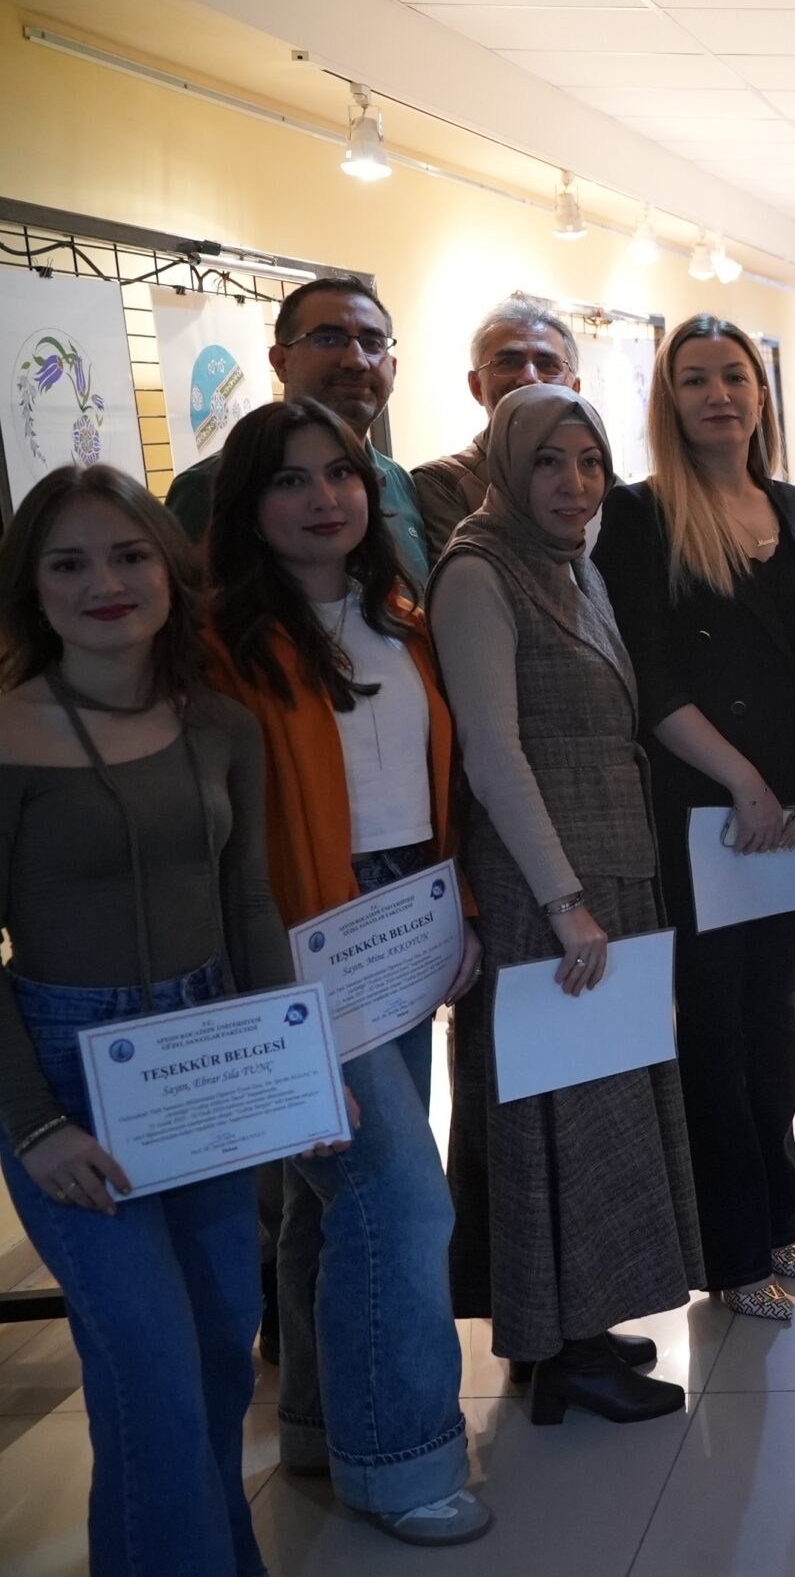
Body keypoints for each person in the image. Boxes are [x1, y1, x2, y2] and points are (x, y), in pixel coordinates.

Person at [0, 464, 325, 1575]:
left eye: (130, 555)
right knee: (149, 1368)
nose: (106, 583)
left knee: (221, 1356)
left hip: (206, 1052)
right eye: (69, 563)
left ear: (170, 572)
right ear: (31, 588)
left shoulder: (221, 725)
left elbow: (249, 904)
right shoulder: (7, 738)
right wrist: (33, 1124)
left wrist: (298, 1071)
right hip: (67, 1076)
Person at [200, 401, 491, 1546]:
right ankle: (400, 1462)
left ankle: (323, 1423)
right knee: (398, 1197)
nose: (324, 498)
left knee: (336, 1202)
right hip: (297, 936)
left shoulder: (401, 618)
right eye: (290, 480)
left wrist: (457, 909)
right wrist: (266, 978)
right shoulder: (218, 645)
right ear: (247, 504)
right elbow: (228, 840)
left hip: (404, 915)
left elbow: (433, 787)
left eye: (342, 474)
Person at [430, 383, 703, 1423]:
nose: (575, 484)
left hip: (604, 877)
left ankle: (566, 1327)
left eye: (590, 462)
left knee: (595, 1112)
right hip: (549, 895)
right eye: (549, 461)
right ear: (505, 462)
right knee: (559, 1121)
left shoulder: (569, 564)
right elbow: (493, 757)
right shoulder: (479, 571)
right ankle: (566, 1354)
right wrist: (563, 900)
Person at [593, 314, 795, 1323]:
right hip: (707, 811)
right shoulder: (638, 514)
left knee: (774, 1015)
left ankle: (780, 1215)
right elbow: (648, 674)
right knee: (715, 1027)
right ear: (670, 399)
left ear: (760, 392)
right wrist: (743, 781)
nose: (718, 395)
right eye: (695, 380)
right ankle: (730, 1250)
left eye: (734, 376)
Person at [166, 275, 434, 584]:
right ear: (281, 361)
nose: (356, 360)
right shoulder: (212, 485)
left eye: (372, 343)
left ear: (393, 368)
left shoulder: (399, 481)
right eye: (328, 339)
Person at [412, 297, 583, 559]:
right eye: (508, 362)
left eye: (548, 364)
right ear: (476, 386)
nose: (529, 378)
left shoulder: (595, 478)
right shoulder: (444, 483)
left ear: (575, 389)